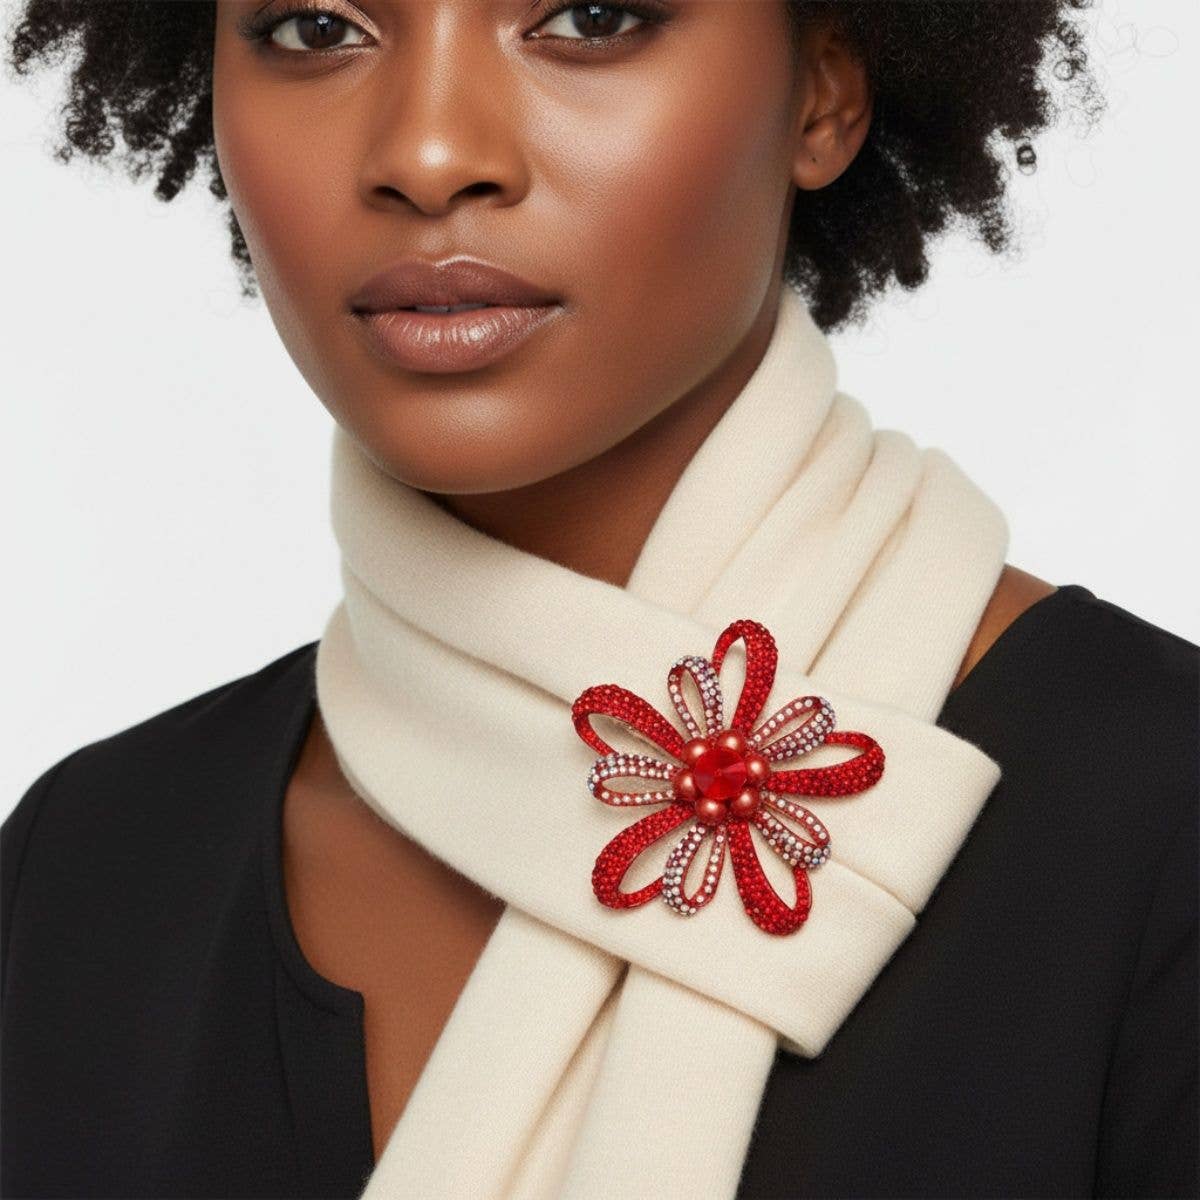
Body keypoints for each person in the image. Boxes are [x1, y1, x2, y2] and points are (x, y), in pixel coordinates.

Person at [2, 2, 1195, 1198]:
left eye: (590, 18)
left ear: (824, 95)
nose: (427, 154)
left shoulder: (1159, 822)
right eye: (317, 28)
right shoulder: (84, 873)